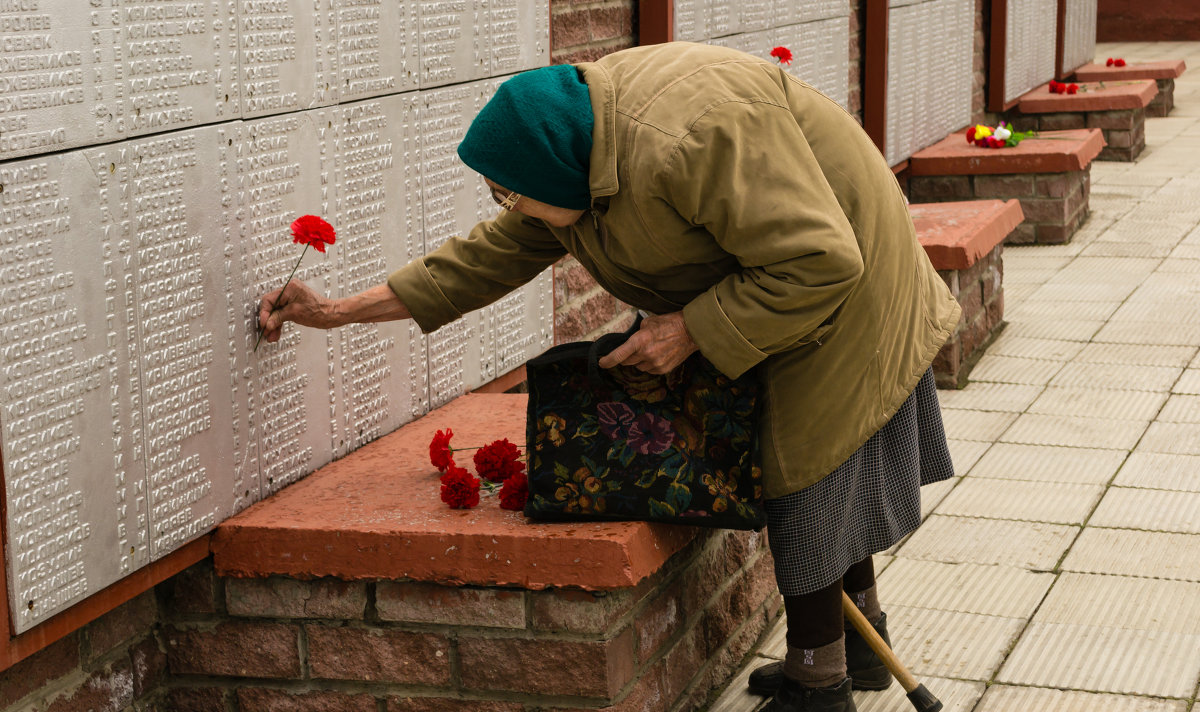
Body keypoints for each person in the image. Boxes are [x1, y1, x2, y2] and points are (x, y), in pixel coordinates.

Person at [258, 41, 960, 712]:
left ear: (554, 169)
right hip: (787, 277)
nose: (508, 207)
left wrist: (690, 331)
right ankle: (864, 652)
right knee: (833, 478)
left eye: (510, 193)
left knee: (806, 472)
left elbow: (821, 261)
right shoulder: (575, 157)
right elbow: (484, 259)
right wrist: (339, 312)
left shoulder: (687, 141)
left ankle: (821, 685)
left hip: (845, 283)